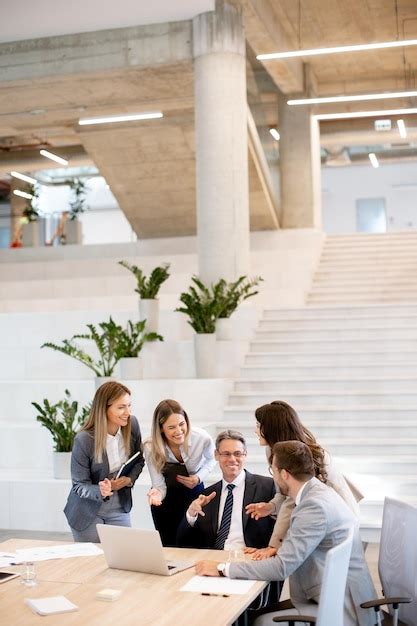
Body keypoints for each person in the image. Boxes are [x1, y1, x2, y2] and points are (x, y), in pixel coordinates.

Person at [195, 441, 377, 626]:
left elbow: (281, 568)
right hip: (335, 594)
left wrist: (222, 569)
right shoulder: (316, 493)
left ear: (284, 474)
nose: (273, 476)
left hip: (339, 607)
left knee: (256, 620)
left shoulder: (313, 507)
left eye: (273, 470)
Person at [247, 400, 361, 559]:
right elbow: (284, 493)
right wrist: (270, 506)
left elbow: (292, 500)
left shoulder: (304, 456)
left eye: (259, 425)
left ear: (272, 429)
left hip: (337, 523)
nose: (255, 430)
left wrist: (273, 545)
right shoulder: (273, 450)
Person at [64, 381, 144, 542]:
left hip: (119, 507)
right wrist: (100, 490)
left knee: (124, 558)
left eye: (129, 405)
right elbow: (79, 485)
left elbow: (139, 460)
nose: (127, 412)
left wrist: (129, 480)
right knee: (93, 562)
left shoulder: (132, 425)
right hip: (87, 510)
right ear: (104, 408)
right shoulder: (84, 439)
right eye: (121, 407)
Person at [177, 430, 276, 550]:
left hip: (249, 558)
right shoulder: (206, 495)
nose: (232, 459)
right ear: (216, 455)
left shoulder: (267, 486)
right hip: (214, 558)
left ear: (245, 455)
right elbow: (181, 541)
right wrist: (191, 514)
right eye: (226, 454)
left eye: (238, 453)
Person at [144, 399, 216, 546]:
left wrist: (198, 477)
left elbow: (212, 460)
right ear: (161, 428)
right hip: (166, 500)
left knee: (195, 544)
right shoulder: (150, 446)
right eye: (171, 427)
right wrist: (156, 494)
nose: (178, 431)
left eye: (182, 424)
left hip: (194, 493)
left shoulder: (201, 438)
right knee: (169, 546)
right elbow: (159, 485)